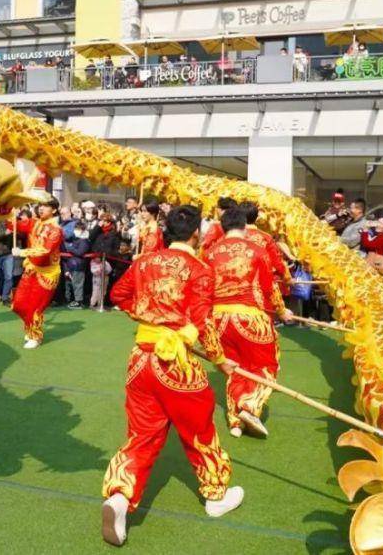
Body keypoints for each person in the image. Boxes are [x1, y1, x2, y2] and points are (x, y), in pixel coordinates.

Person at [101, 205, 242, 546]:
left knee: (141, 434)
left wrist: (148, 317)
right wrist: (221, 360)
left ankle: (119, 495)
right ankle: (214, 494)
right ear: (196, 234)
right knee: (199, 429)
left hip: (140, 359)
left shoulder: (145, 261)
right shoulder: (199, 269)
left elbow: (118, 295)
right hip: (176, 362)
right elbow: (204, 322)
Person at [204, 207, 291, 438]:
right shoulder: (257, 250)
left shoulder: (210, 253)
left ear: (222, 227)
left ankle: (235, 422)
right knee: (266, 365)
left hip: (219, 320)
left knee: (235, 369)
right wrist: (282, 311)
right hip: (250, 318)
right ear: (245, 226)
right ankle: (250, 407)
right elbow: (269, 286)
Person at [12, 198, 63, 349]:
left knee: (35, 307)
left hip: (47, 273)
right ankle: (30, 327)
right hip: (31, 269)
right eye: (40, 205)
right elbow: (14, 225)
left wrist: (22, 252)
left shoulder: (56, 230)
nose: (41, 209)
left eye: (46, 206)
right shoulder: (34, 222)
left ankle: (35, 335)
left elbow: (45, 251)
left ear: (53, 210)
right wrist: (10, 214)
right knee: (19, 304)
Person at [91, 212, 121, 309]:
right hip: (96, 260)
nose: (102, 223)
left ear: (109, 222)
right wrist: (97, 227)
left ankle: (102, 302)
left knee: (105, 283)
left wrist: (106, 255)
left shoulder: (114, 234)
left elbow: (116, 248)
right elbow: (90, 237)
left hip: (108, 260)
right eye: (101, 220)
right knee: (95, 282)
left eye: (105, 221)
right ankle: (94, 301)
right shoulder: (98, 231)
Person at [63, 222, 90, 309]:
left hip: (79, 265)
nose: (75, 231)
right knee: (74, 283)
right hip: (73, 265)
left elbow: (80, 252)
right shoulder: (76, 239)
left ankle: (79, 301)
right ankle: (76, 300)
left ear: (82, 230)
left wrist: (70, 248)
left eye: (77, 229)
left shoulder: (84, 241)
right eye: (75, 229)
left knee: (78, 283)